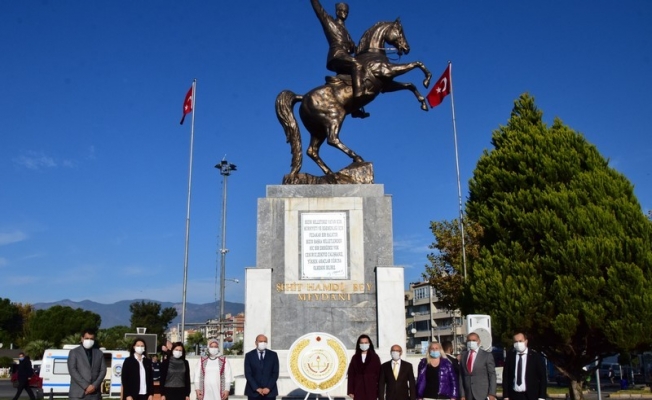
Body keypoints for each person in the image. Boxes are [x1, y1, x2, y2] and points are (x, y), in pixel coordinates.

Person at [310, 0, 369, 118]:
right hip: (337, 55)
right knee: (357, 65)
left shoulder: (346, 31)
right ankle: (358, 97)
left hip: (345, 57)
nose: (344, 13)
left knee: (362, 73)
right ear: (337, 12)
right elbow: (319, 11)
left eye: (346, 12)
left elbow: (353, 47)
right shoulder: (330, 22)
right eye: (342, 11)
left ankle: (354, 108)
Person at [502, 333, 547, 400]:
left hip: (531, 395)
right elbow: (506, 376)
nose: (518, 344)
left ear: (526, 341)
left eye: (520, 341)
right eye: (516, 342)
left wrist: (542, 396)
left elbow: (542, 378)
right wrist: (505, 395)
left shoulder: (535, 357)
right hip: (514, 395)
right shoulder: (510, 356)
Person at [67, 328, 107, 400]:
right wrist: (86, 386)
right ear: (82, 339)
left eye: (91, 339)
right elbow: (72, 370)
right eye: (87, 338)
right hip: (78, 394)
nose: (89, 341)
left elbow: (103, 370)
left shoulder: (99, 353)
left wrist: (94, 386)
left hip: (95, 394)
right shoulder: (74, 352)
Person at [459, 332, 496, 400]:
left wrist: (492, 393)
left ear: (478, 341)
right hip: (468, 394)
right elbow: (461, 376)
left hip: (482, 394)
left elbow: (492, 375)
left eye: (474, 340)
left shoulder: (486, 355)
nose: (471, 342)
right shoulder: (464, 356)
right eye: (469, 340)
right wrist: (462, 395)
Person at [244, 334, 279, 400]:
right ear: (256, 342)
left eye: (265, 341)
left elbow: (275, 373)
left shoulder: (273, 355)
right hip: (253, 392)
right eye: (260, 341)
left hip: (269, 392)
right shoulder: (249, 355)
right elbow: (248, 373)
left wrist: (268, 387)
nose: (263, 343)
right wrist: (256, 388)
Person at [347, 334, 381, 400]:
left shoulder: (375, 357)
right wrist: (350, 390)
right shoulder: (355, 358)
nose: (364, 344)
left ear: (369, 344)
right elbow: (351, 374)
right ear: (359, 344)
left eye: (366, 343)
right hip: (358, 388)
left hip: (371, 388)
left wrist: (379, 390)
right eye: (362, 343)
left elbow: (379, 374)